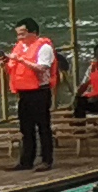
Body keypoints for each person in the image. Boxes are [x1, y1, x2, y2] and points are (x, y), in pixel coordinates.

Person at [8, 17, 62, 171]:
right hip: (24, 91)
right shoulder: (20, 47)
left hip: (39, 91)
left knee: (43, 126)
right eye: (18, 34)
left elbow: (42, 67)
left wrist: (22, 60)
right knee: (26, 128)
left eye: (23, 34)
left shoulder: (44, 47)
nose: (20, 38)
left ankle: (46, 159)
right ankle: (26, 160)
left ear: (33, 33)